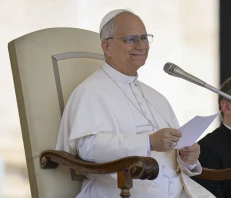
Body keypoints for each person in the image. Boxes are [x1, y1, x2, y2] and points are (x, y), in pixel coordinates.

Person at [55, 9, 215, 198]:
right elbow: (87, 148)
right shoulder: (90, 92)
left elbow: (172, 157)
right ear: (107, 47)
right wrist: (148, 142)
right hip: (121, 190)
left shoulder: (156, 97)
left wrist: (186, 158)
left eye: (145, 38)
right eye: (131, 39)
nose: (141, 45)